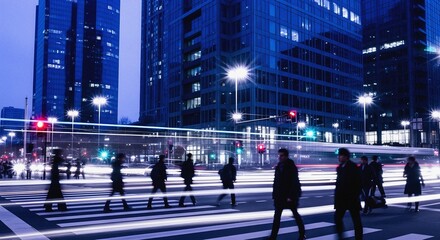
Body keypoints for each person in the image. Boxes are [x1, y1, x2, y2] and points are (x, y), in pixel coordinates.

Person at [267, 148, 306, 240]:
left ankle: (302, 234)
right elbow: (276, 182)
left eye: (282, 155)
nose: (280, 157)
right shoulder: (278, 166)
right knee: (277, 217)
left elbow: (294, 182)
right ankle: (273, 236)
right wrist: (274, 194)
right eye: (279, 155)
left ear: (286, 156)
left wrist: (290, 196)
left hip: (289, 196)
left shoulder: (291, 166)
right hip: (280, 196)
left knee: (295, 215)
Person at [334, 148, 363, 240]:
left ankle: (358, 238)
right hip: (341, 199)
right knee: (337, 218)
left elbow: (358, 183)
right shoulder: (340, 168)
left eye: (340, 155)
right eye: (338, 155)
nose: (338, 157)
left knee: (356, 221)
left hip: (351, 199)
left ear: (345, 157)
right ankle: (341, 237)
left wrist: (355, 195)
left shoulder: (353, 167)